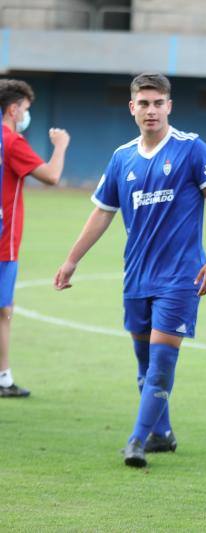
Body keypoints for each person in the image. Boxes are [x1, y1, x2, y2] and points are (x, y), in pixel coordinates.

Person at [53, 72, 206, 468]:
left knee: (162, 363)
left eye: (158, 103)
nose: (151, 110)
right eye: (144, 104)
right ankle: (162, 433)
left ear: (169, 106)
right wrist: (71, 259)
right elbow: (103, 213)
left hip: (181, 278)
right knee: (144, 363)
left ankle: (137, 440)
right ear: (132, 108)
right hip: (136, 277)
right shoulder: (122, 157)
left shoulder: (192, 148)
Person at [0, 79, 70, 398]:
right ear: (14, 109)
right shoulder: (11, 141)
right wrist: (60, 145)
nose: (27, 114)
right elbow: (51, 177)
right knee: (4, 310)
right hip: (4, 243)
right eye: (26, 109)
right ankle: (3, 377)